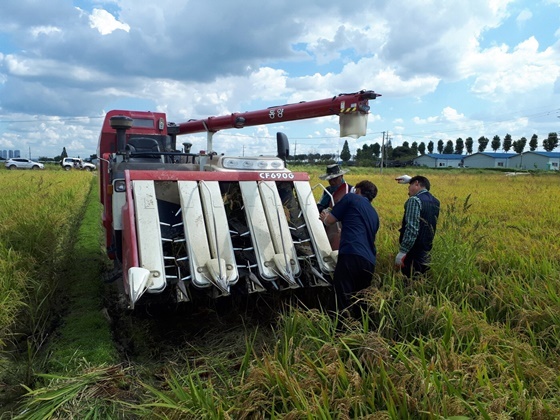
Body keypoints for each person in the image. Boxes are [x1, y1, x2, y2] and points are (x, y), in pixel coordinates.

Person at [319, 180, 379, 311]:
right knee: (360, 300)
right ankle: (361, 327)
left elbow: (330, 221)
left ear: (358, 190)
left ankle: (338, 329)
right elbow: (362, 233)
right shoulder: (374, 214)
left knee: (341, 297)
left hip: (351, 254)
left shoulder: (351, 197)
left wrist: (324, 217)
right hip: (369, 261)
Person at [395, 175, 440, 278]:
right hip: (426, 250)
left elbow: (412, 228)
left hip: (413, 252)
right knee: (420, 281)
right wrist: (411, 179)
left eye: (408, 187)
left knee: (408, 281)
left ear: (416, 184)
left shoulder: (414, 200)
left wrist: (403, 251)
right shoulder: (435, 201)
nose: (408, 192)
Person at [317, 164, 353, 250]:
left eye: (335, 179)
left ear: (341, 176)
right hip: (327, 224)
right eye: (330, 180)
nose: (332, 182)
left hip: (343, 226)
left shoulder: (350, 190)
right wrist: (324, 210)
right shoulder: (327, 191)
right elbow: (319, 205)